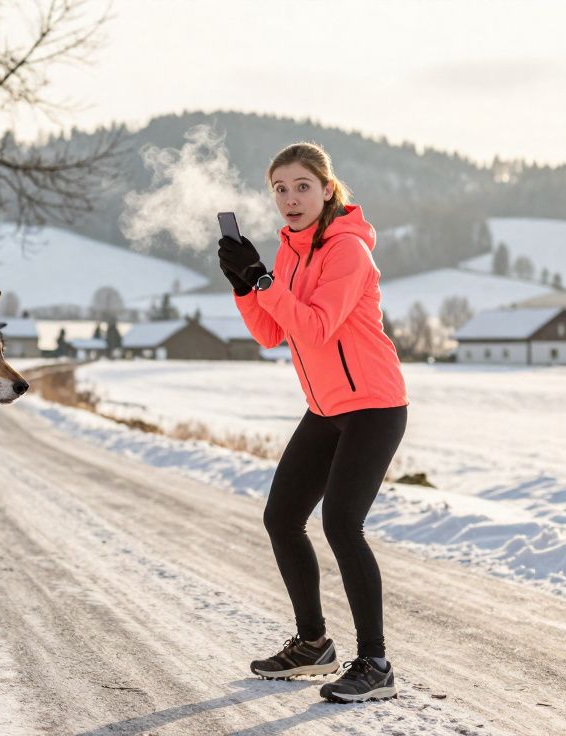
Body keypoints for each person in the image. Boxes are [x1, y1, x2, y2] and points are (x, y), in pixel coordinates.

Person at [217, 141, 408, 704]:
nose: (290, 198)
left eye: (302, 186)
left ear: (328, 189)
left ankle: (375, 663)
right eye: (280, 188)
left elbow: (319, 326)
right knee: (282, 518)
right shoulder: (291, 251)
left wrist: (264, 285)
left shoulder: (347, 250)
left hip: (373, 406)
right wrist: (243, 285)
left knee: (342, 524)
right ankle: (312, 644)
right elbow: (274, 333)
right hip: (325, 409)